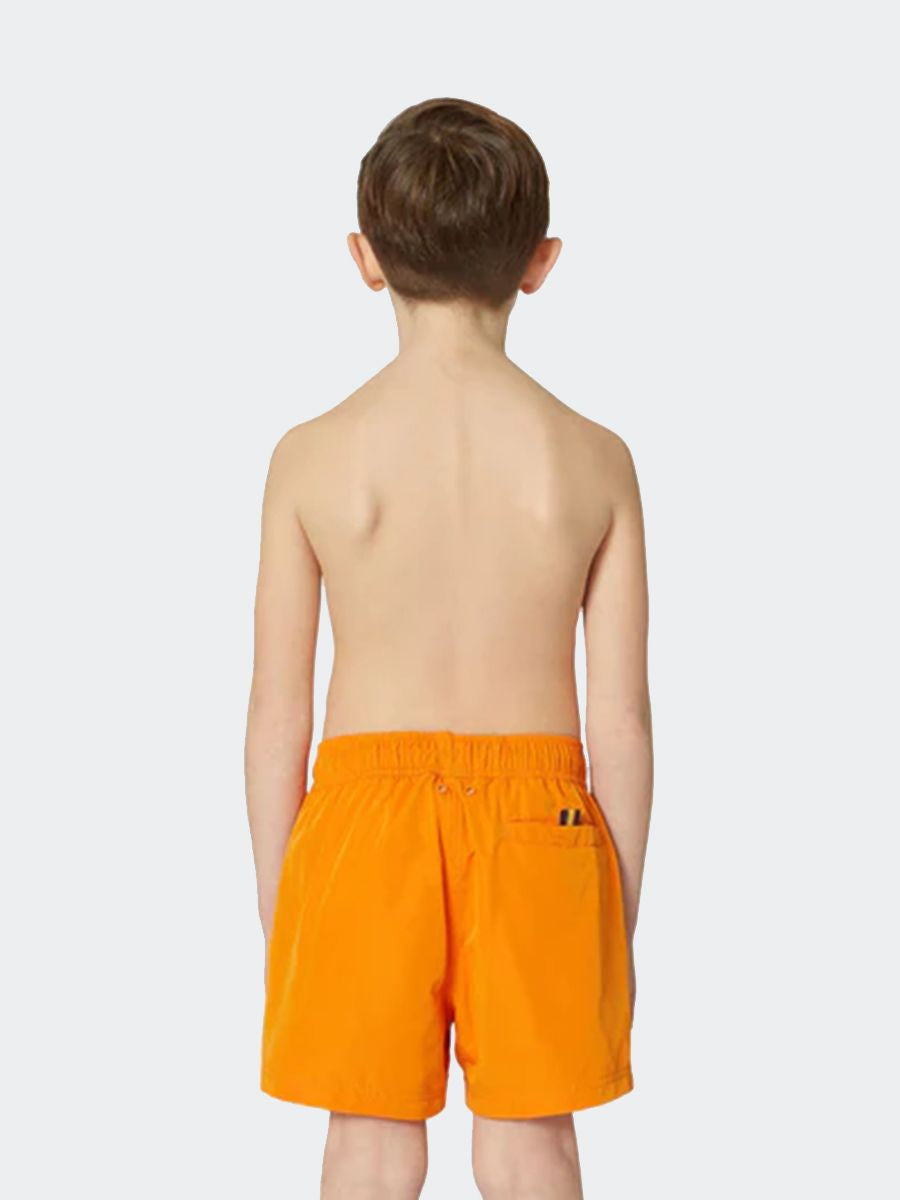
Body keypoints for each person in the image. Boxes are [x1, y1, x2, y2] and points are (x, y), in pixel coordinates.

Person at [245, 97, 653, 1200]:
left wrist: (289, 910)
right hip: (543, 819)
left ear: (365, 258)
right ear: (540, 262)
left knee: (369, 1139)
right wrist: (610, 910)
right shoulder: (593, 459)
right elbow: (620, 722)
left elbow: (277, 717)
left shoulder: (314, 456)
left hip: (360, 822)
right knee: (533, 1140)